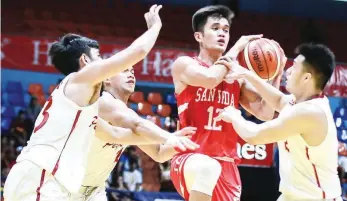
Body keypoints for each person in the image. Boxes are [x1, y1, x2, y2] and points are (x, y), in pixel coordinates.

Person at [3, 5, 169, 201]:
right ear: (85, 60)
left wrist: (179, 139)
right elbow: (138, 51)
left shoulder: (83, 103)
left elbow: (118, 134)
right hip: (42, 178)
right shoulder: (81, 82)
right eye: (98, 57)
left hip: (54, 182)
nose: (103, 62)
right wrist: (155, 27)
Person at [169, 5, 285, 201]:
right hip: (190, 157)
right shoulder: (185, 65)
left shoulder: (236, 76)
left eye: (226, 30)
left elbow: (265, 112)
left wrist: (277, 72)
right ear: (199, 36)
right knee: (207, 168)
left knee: (213, 168)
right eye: (215, 29)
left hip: (227, 164)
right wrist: (237, 47)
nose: (222, 33)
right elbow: (210, 79)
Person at [216, 43, 342, 200]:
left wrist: (234, 115)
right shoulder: (298, 103)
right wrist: (246, 74)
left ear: (306, 77)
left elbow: (254, 135)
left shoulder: (310, 112)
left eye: (294, 67)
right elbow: (278, 99)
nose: (287, 72)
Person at [72, 67, 199, 201]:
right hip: (67, 183)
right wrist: (171, 137)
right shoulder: (104, 103)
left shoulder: (128, 115)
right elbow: (138, 125)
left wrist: (188, 141)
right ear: (107, 78)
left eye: (133, 71)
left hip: (94, 190)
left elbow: (159, 153)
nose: (131, 74)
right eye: (125, 70)